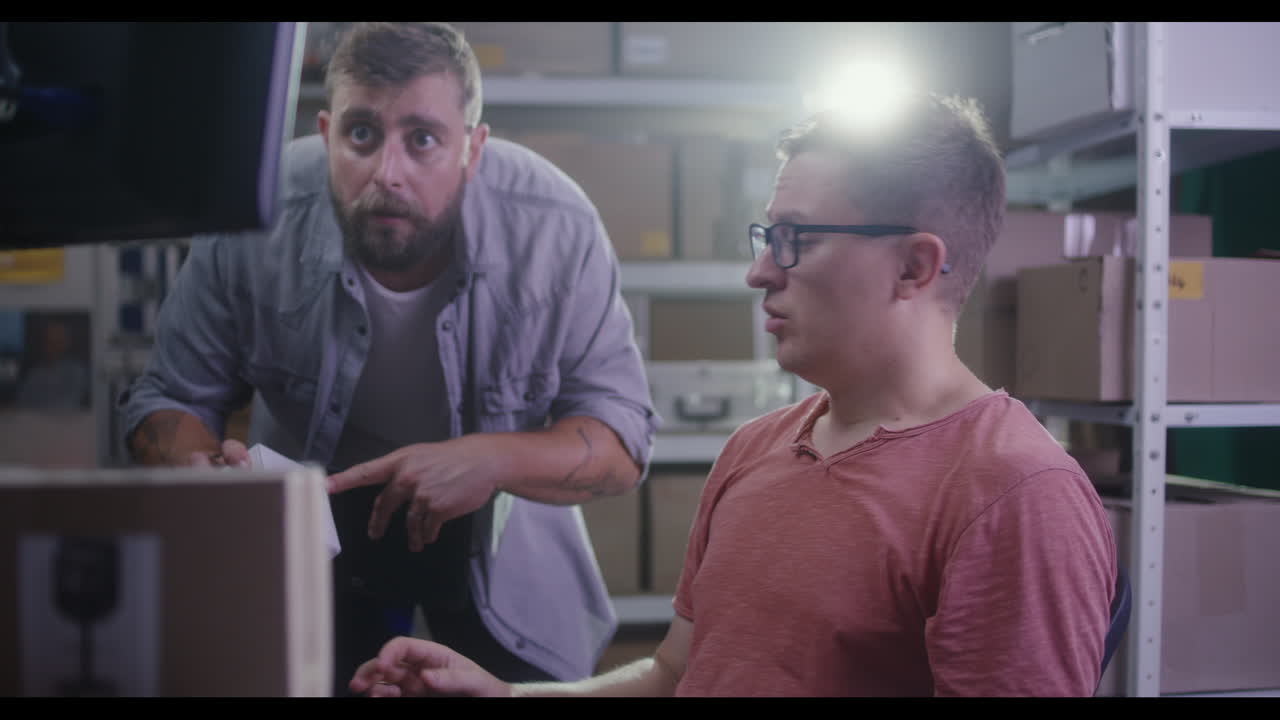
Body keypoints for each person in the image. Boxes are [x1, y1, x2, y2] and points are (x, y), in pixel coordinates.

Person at [345, 91, 1119, 697]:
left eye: (796, 239)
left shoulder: (1013, 495)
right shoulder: (758, 447)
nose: (759, 272)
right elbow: (674, 678)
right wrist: (506, 696)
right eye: (765, 237)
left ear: (916, 267)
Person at [118, 21, 659, 695]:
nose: (386, 173)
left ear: (474, 148)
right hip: (306, 530)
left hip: (496, 539)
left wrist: (488, 458)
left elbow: (622, 442)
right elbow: (167, 396)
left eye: (423, 140)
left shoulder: (556, 227)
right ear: (326, 133)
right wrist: (203, 474)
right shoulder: (252, 218)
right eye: (362, 135)